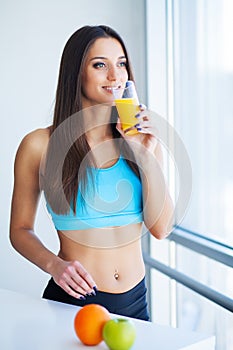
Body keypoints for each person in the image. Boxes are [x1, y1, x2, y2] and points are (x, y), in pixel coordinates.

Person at [9, 25, 174, 321]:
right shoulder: (39, 145)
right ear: (77, 73)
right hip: (73, 304)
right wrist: (54, 265)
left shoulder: (144, 141)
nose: (115, 76)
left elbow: (161, 229)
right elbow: (20, 230)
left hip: (135, 305)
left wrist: (145, 154)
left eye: (121, 64)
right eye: (100, 65)